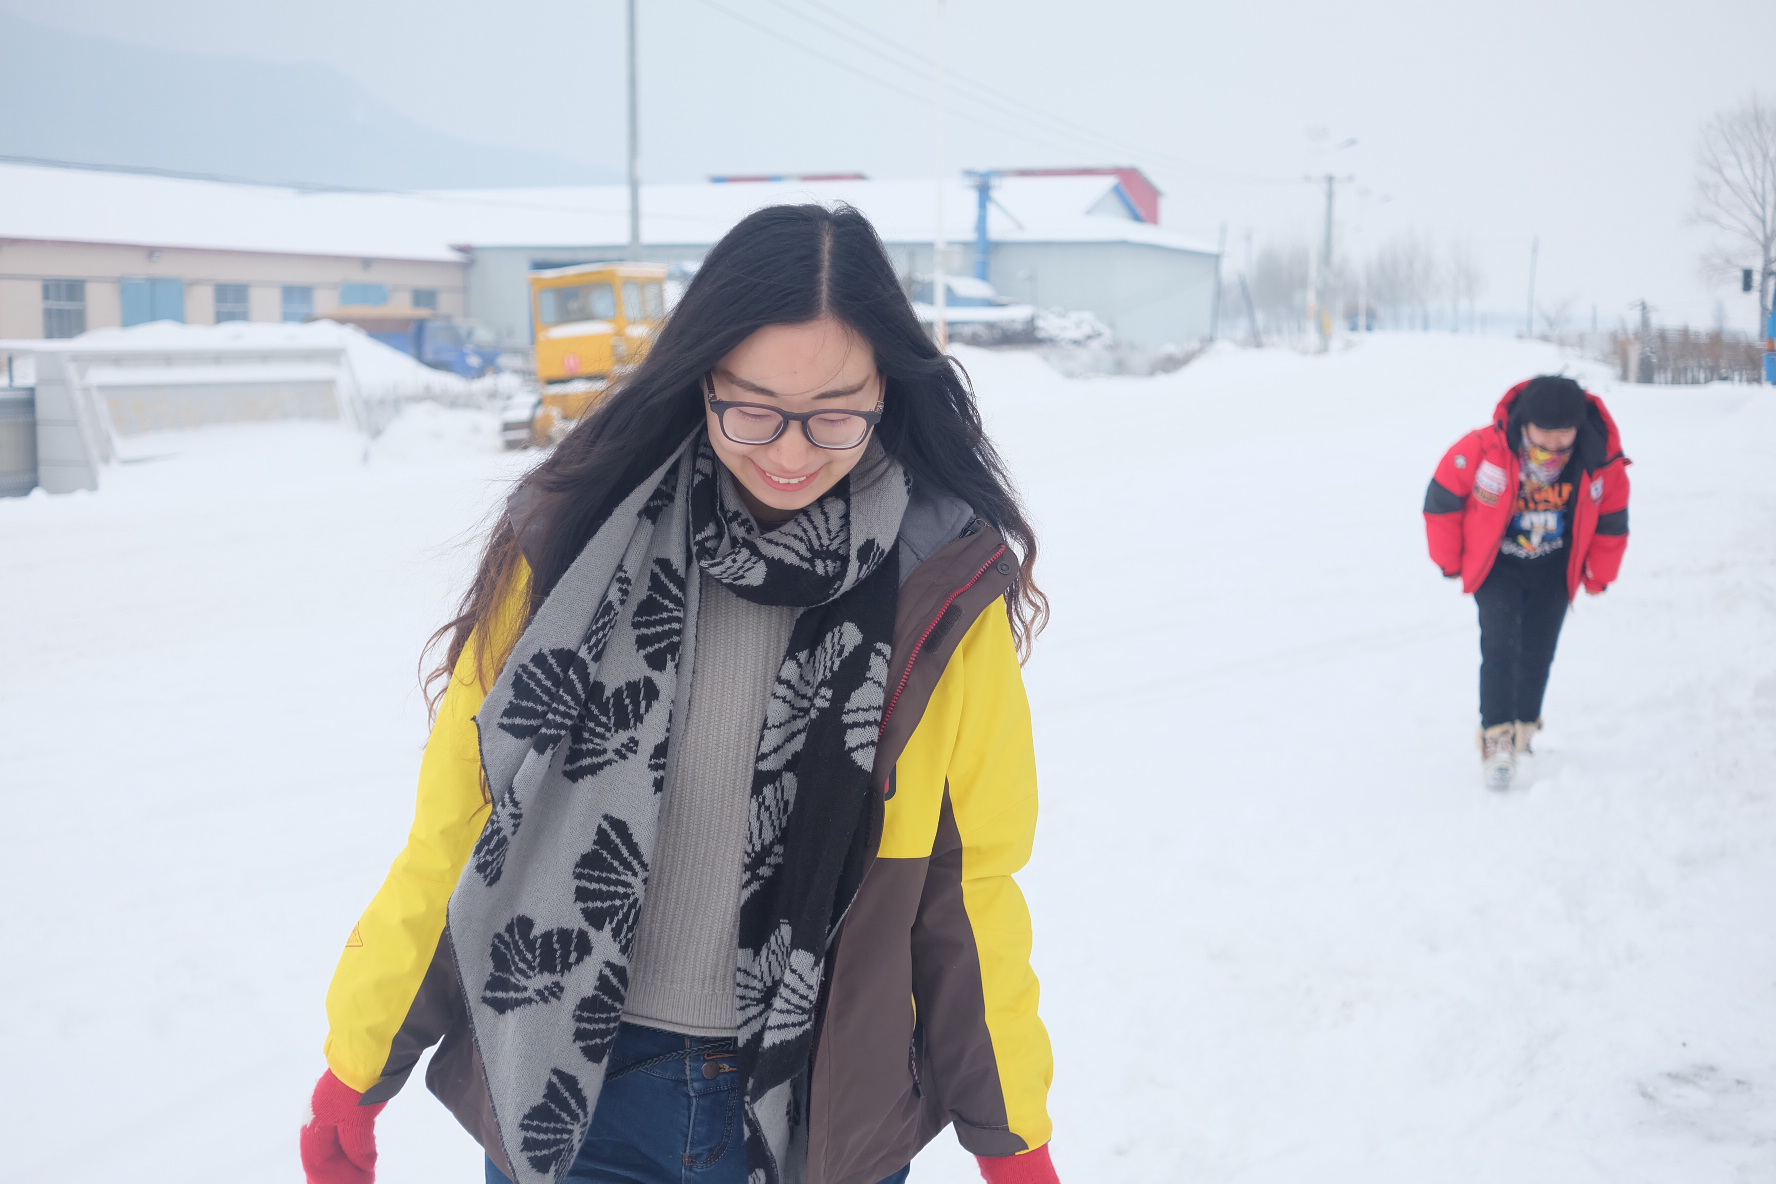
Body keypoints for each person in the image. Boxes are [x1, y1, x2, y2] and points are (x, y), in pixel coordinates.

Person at [299, 204, 1061, 1184]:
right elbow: (462, 830)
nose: (789, 451)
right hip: (576, 1100)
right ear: (702, 378)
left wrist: (1015, 1138)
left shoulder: (935, 589)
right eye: (752, 406)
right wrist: (356, 1072)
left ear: (888, 393)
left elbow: (969, 886)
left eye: (834, 411)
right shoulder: (572, 547)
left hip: (819, 1118)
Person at [1423, 374, 1630, 790]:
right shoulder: (1484, 451)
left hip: (1554, 569)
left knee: (1539, 650)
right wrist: (1449, 561)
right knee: (1499, 646)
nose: (1553, 445)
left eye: (1564, 434)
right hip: (1497, 567)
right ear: (1523, 424)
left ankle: (1524, 729)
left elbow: (1611, 521)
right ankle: (1497, 738)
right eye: (1544, 434)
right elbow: (1442, 501)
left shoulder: (1597, 460)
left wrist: (1599, 576)